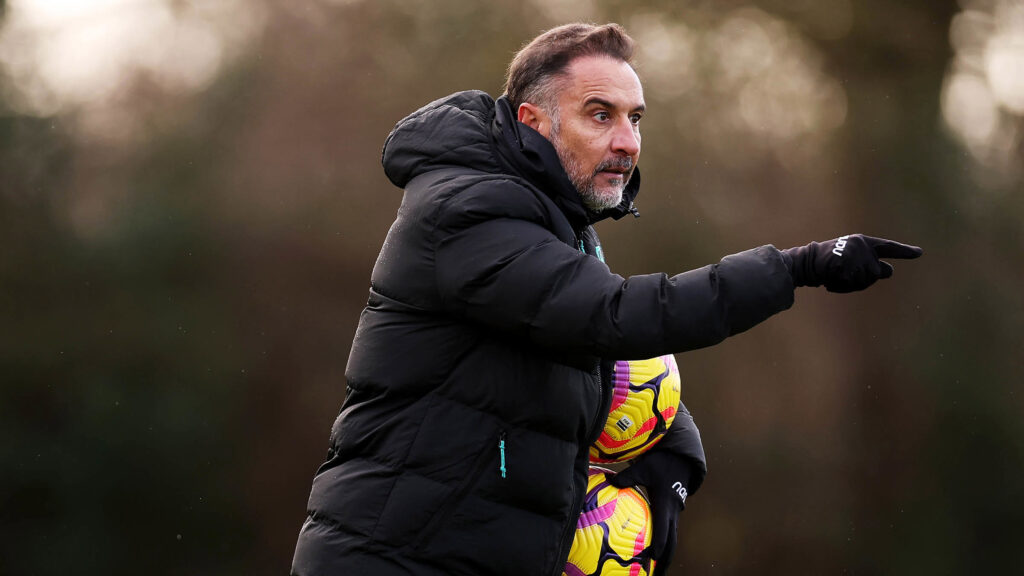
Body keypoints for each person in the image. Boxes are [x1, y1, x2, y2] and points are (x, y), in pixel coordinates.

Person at [290, 23, 922, 576]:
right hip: (391, 560)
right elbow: (614, 317)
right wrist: (796, 267)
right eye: (601, 115)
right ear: (533, 123)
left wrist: (674, 465)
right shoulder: (469, 212)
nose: (628, 142)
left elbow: (619, 368)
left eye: (635, 118)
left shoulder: (555, 222)